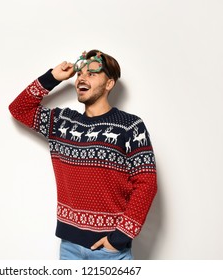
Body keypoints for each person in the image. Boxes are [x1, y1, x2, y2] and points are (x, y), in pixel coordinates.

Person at [9, 50, 157, 260]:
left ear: (109, 84)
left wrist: (119, 239)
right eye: (80, 73)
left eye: (92, 73)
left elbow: (146, 183)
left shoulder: (130, 126)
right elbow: (19, 108)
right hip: (69, 247)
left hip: (110, 251)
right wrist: (53, 76)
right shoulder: (62, 123)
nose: (82, 78)